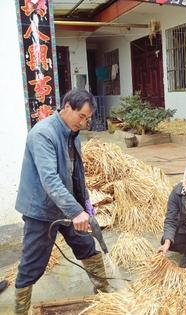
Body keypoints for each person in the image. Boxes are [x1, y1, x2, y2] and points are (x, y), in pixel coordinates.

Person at [14, 89, 113, 315]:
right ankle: (20, 309)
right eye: (82, 116)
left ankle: (104, 291)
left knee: (87, 247)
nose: (84, 122)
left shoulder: (72, 134)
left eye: (88, 118)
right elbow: (49, 179)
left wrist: (85, 206)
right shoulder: (43, 134)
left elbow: (77, 174)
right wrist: (75, 212)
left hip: (69, 207)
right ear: (67, 106)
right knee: (32, 263)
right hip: (41, 210)